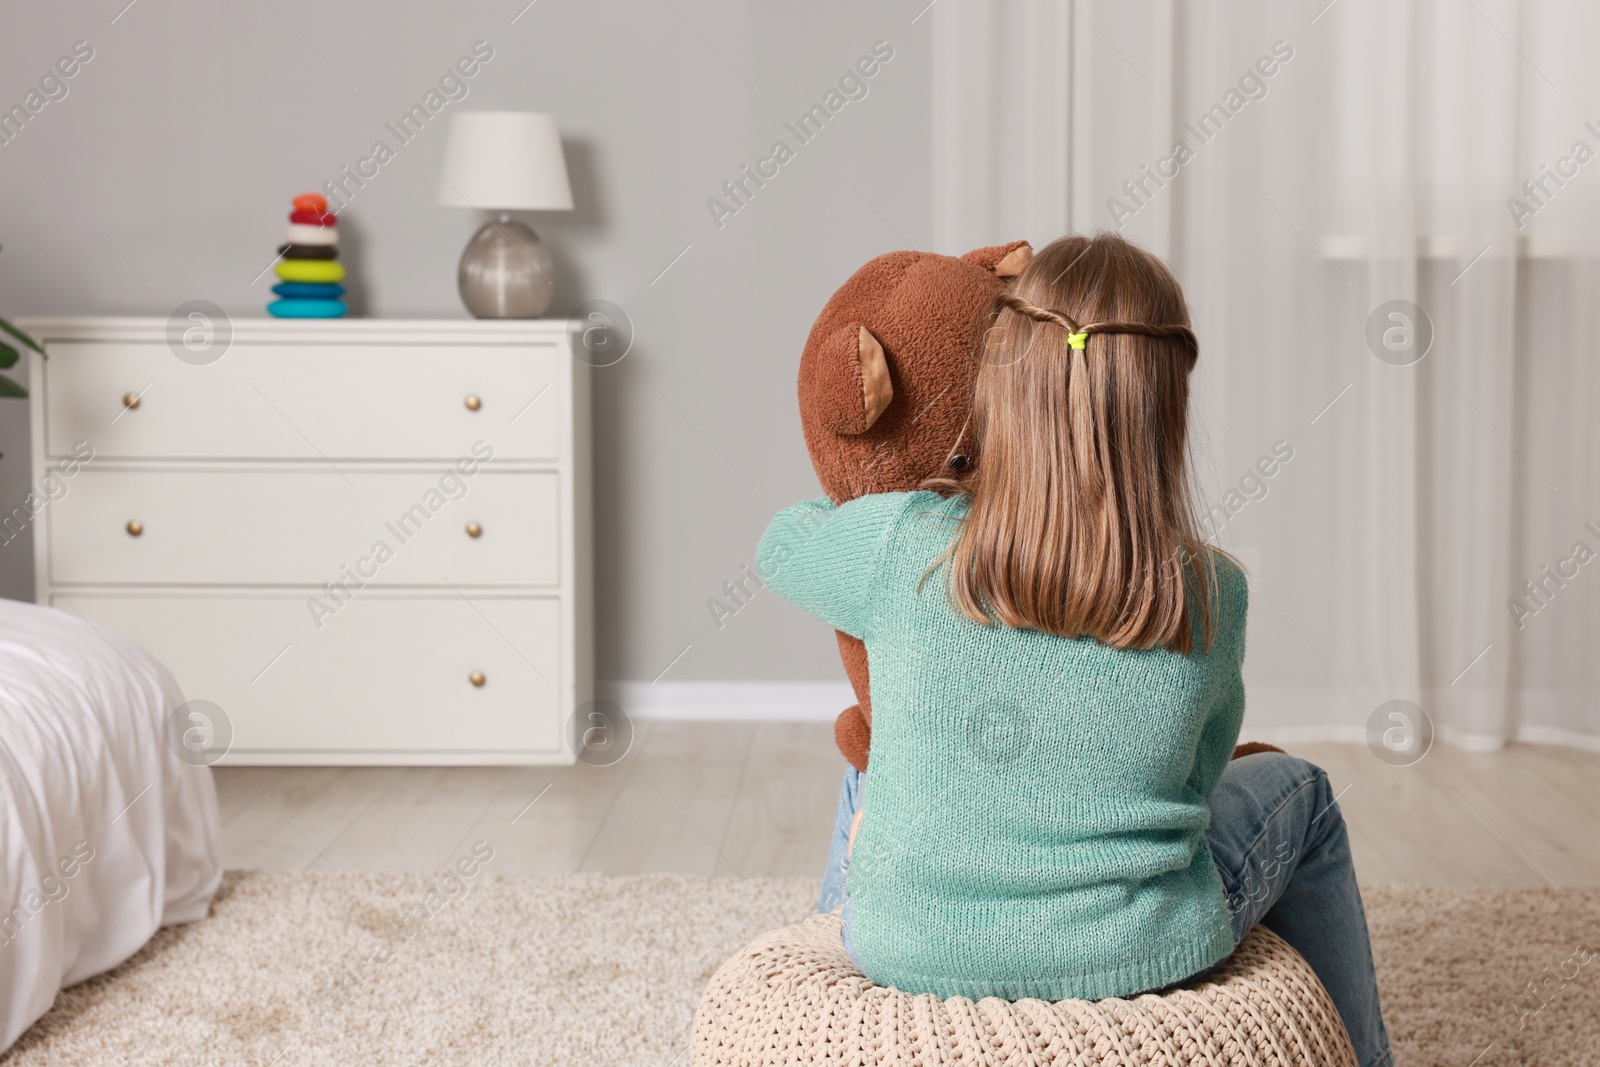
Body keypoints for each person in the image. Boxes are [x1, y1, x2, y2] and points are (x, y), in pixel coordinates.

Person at [756, 233, 1392, 1067]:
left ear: (1004, 375)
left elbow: (782, 543)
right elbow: (1193, 787)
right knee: (1299, 789)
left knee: (874, 759)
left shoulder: (904, 541)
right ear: (1166, 402)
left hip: (907, 947)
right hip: (1136, 953)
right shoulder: (1212, 593)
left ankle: (842, 1002)